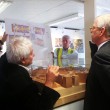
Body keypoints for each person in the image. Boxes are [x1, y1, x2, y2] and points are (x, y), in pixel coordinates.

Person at [0, 36, 60, 110]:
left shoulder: (3, 60)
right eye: (31, 53)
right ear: (23, 60)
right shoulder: (19, 78)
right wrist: (49, 81)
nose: (34, 55)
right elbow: (41, 107)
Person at [84, 14, 110, 110]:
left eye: (93, 28)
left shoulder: (102, 56)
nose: (91, 30)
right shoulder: (103, 51)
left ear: (102, 31)